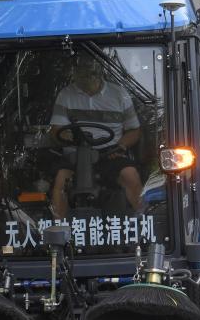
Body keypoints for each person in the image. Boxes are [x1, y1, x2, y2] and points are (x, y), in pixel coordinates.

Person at [50, 54, 143, 218]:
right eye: (83, 72)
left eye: (91, 72)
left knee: (130, 175)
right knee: (61, 180)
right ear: (75, 73)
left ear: (100, 72)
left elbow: (134, 130)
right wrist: (66, 135)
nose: (88, 76)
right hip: (75, 153)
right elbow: (56, 129)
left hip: (110, 153)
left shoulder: (119, 94)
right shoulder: (66, 95)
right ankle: (59, 227)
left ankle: (142, 222)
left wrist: (121, 146)